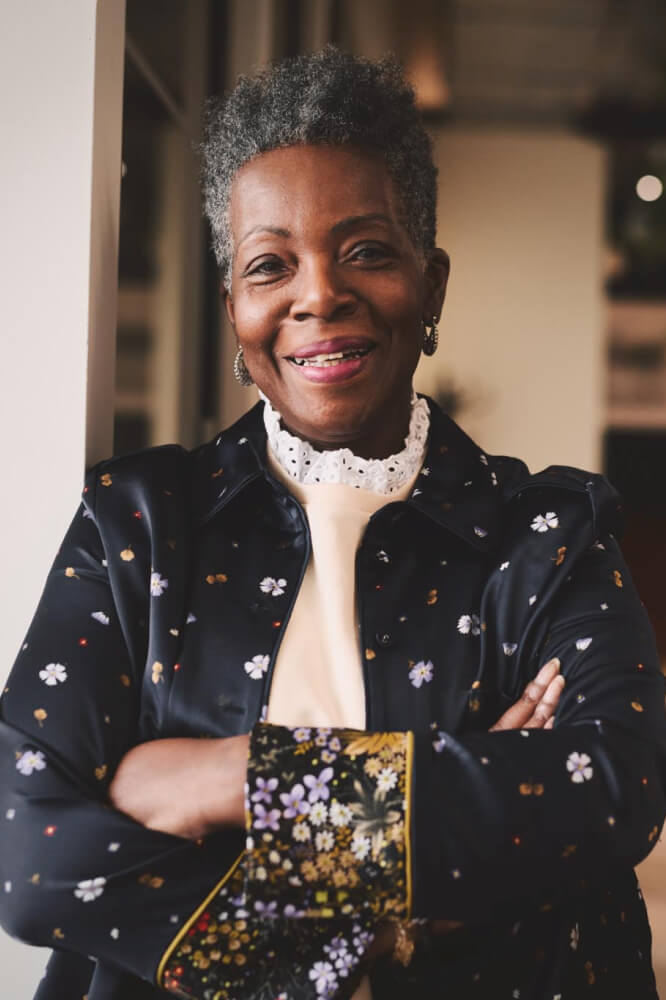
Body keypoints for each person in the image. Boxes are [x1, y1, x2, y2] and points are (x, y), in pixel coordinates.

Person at [1, 46, 665, 1000]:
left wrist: (234, 781)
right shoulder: (137, 524)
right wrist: (392, 904)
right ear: (233, 311)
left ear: (431, 286)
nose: (318, 294)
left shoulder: (548, 534)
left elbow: (612, 790)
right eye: (272, 265)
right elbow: (30, 855)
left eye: (366, 251)